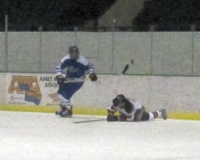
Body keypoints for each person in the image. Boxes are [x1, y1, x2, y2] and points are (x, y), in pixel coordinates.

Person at [55, 46, 97, 117]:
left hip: (78, 80)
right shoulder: (66, 59)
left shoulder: (83, 61)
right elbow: (58, 67)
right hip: (68, 79)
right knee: (60, 93)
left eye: (76, 53)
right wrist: (59, 76)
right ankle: (64, 108)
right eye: (72, 53)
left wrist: (92, 73)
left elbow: (90, 66)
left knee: (66, 95)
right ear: (69, 53)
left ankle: (68, 111)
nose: (74, 55)